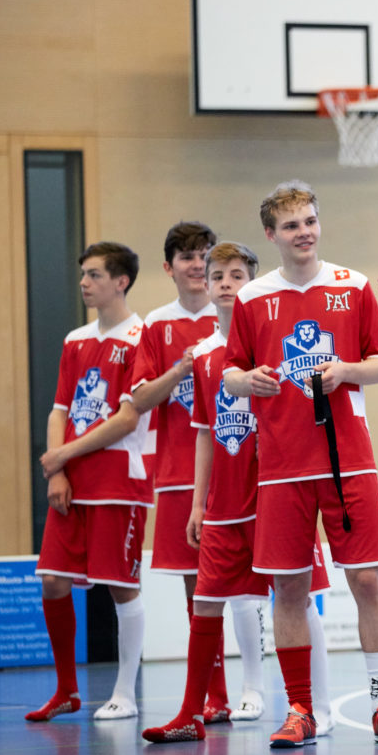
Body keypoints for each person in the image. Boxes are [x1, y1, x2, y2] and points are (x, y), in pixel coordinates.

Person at [224, 180, 378, 748]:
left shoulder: (351, 287)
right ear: (271, 235)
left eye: (309, 221)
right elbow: (231, 372)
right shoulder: (253, 298)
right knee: (288, 590)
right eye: (291, 226)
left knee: (367, 580)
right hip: (280, 466)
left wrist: (347, 371)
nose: (303, 232)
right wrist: (246, 380)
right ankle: (302, 708)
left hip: (347, 460)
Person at [142, 241, 334, 743]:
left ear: (253, 280)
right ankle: (191, 711)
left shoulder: (272, 340)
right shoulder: (203, 356)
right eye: (217, 275)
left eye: (235, 275)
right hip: (224, 505)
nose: (225, 283)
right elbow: (204, 432)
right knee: (205, 603)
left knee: (299, 599)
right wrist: (199, 501)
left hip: (276, 494)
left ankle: (321, 705)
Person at [128, 222, 260, 724]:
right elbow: (139, 399)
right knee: (200, 590)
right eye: (187, 257)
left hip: (247, 472)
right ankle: (215, 697)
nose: (197, 266)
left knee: (256, 586)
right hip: (185, 474)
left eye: (203, 256)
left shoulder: (241, 315)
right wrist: (181, 369)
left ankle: (254, 687)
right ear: (171, 267)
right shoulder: (157, 325)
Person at [30, 242, 153, 721]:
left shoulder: (144, 337)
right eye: (83, 273)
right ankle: (66, 689)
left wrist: (64, 453)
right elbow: (60, 409)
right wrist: (58, 468)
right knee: (53, 580)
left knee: (121, 586)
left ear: (121, 281)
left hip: (119, 479)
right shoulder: (75, 340)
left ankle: (125, 692)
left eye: (94, 274)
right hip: (72, 480)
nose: (84, 282)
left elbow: (127, 419)